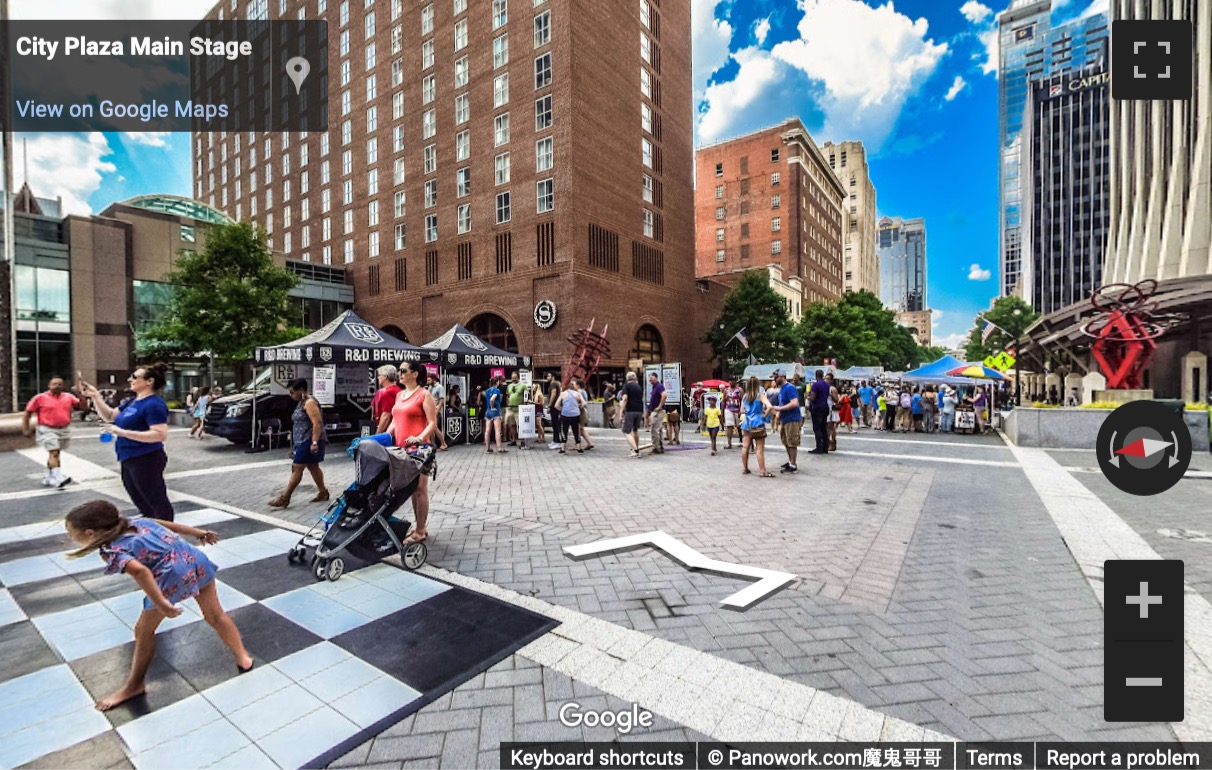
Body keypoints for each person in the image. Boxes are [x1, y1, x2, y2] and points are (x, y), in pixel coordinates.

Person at [65, 499, 252, 711]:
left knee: (144, 630)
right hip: (194, 560)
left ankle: (134, 686)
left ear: (90, 533)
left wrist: (161, 603)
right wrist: (199, 533)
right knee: (215, 615)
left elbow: (141, 572)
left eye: (71, 533)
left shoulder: (112, 550)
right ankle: (243, 657)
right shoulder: (139, 521)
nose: (69, 537)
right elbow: (170, 525)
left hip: (172, 577)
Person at [81, 365, 176, 521]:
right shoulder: (132, 401)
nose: (129, 379)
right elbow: (110, 416)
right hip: (128, 457)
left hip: (146, 458)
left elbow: (160, 435)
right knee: (141, 500)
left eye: (134, 376)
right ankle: (150, 530)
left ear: (149, 381)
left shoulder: (154, 404)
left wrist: (121, 432)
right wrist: (96, 396)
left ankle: (167, 536)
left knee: (156, 501)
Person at [386, 361, 438, 545]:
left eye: (403, 370)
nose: (399, 373)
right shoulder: (400, 395)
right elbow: (395, 420)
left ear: (415, 374)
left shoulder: (424, 395)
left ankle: (421, 529)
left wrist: (419, 437)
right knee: (410, 489)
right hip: (401, 449)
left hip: (420, 450)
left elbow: (432, 423)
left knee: (420, 489)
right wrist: (384, 436)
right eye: (399, 370)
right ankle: (417, 527)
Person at [267, 379, 329, 508]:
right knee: (313, 466)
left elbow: (317, 423)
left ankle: (286, 497)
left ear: (301, 390)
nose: (291, 395)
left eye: (292, 392)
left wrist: (314, 442)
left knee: (297, 467)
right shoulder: (302, 402)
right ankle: (323, 492)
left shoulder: (309, 403)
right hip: (302, 440)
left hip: (309, 439)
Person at [23, 375, 80, 488]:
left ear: (63, 386)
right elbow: (27, 413)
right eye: (54, 384)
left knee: (55, 453)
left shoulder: (68, 397)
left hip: (63, 429)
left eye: (59, 384)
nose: (57, 386)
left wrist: (80, 394)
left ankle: (49, 477)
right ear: (49, 385)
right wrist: (26, 428)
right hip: (47, 428)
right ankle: (58, 478)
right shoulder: (40, 398)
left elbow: (82, 406)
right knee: (54, 452)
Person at [740, 376, 773, 477]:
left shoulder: (745, 396)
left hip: (747, 423)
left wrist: (749, 412)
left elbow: (741, 410)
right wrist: (764, 414)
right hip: (758, 422)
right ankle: (762, 471)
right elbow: (770, 406)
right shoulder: (760, 395)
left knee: (745, 447)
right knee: (759, 449)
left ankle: (745, 468)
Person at [772, 370, 802, 473]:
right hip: (785, 419)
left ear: (782, 376)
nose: (774, 379)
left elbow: (794, 403)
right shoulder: (782, 389)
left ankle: (793, 465)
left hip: (792, 419)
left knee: (792, 442)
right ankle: (790, 461)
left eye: (776, 377)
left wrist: (780, 409)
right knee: (786, 441)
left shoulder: (789, 388)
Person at [619, 371, 645, 458]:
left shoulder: (626, 386)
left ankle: (636, 451)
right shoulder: (638, 386)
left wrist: (621, 410)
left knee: (626, 431)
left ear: (627, 378)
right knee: (635, 430)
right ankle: (636, 448)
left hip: (630, 410)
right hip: (639, 410)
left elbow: (625, 398)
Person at [807, 369, 832, 455]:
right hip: (825, 406)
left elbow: (813, 398)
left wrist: (808, 397)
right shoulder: (827, 385)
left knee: (817, 428)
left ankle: (819, 447)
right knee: (823, 427)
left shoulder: (815, 385)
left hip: (817, 407)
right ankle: (825, 446)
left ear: (816, 375)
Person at [558, 379, 587, 454]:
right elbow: (584, 403)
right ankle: (579, 448)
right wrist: (579, 407)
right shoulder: (578, 394)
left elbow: (556, 405)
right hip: (575, 414)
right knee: (576, 431)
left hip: (565, 414)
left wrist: (562, 409)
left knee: (564, 430)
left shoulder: (563, 394)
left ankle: (563, 448)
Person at [372, 365, 401, 434]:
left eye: (380, 375)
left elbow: (386, 416)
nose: (378, 377)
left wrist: (377, 434)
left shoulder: (388, 392)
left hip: (389, 431)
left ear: (386, 377)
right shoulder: (397, 389)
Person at [426, 371, 450, 451]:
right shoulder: (430, 387)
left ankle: (443, 443)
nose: (428, 382)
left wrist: (437, 411)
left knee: (434, 428)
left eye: (429, 380)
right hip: (430, 409)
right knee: (431, 428)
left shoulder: (440, 387)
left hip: (436, 410)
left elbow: (441, 401)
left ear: (433, 379)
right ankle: (433, 444)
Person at [646, 372, 667, 454]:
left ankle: (656, 448)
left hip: (657, 411)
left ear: (656, 377)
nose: (650, 379)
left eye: (652, 377)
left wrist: (659, 407)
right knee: (658, 429)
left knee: (655, 429)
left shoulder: (659, 386)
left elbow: (664, 395)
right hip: (655, 410)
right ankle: (660, 446)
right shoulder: (655, 387)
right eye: (649, 378)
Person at [484, 376, 505, 453]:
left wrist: (490, 407)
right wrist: (493, 407)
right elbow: (492, 399)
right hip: (495, 412)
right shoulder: (497, 390)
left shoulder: (487, 391)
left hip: (488, 412)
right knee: (497, 431)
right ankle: (499, 448)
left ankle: (488, 448)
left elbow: (488, 398)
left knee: (487, 430)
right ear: (497, 382)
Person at [505, 372, 526, 446]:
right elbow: (508, 395)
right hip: (511, 408)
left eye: (515, 377)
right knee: (511, 424)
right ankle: (513, 440)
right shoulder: (509, 386)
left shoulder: (523, 386)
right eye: (512, 378)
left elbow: (526, 396)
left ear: (518, 377)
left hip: (519, 408)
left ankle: (522, 441)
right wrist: (508, 404)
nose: (513, 379)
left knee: (520, 425)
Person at [576, 379, 596, 450]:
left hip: (580, 411)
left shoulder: (579, 392)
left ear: (578, 385)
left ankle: (578, 445)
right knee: (581, 429)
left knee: (578, 428)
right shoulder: (584, 391)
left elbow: (579, 401)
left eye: (575, 384)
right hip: (583, 411)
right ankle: (590, 443)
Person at [825, 373, 841, 451]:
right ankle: (827, 442)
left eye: (828, 379)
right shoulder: (824, 387)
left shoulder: (833, 389)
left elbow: (837, 400)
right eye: (825, 378)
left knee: (830, 427)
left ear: (831, 380)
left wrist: (831, 395)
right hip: (825, 408)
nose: (826, 380)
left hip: (831, 409)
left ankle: (832, 443)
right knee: (826, 427)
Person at [724, 380, 742, 449]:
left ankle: (741, 440)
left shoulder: (739, 390)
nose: (731, 383)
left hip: (737, 409)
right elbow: (724, 401)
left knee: (738, 426)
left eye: (733, 381)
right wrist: (722, 411)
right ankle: (729, 443)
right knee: (729, 426)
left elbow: (742, 399)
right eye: (730, 382)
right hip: (728, 409)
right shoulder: (726, 391)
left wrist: (742, 409)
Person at [547, 374, 563, 449]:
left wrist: (549, 406)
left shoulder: (553, 384)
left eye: (548, 376)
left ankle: (557, 442)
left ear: (553, 377)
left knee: (555, 424)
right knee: (554, 424)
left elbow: (553, 394)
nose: (547, 378)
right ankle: (555, 440)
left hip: (554, 407)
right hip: (555, 406)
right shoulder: (556, 384)